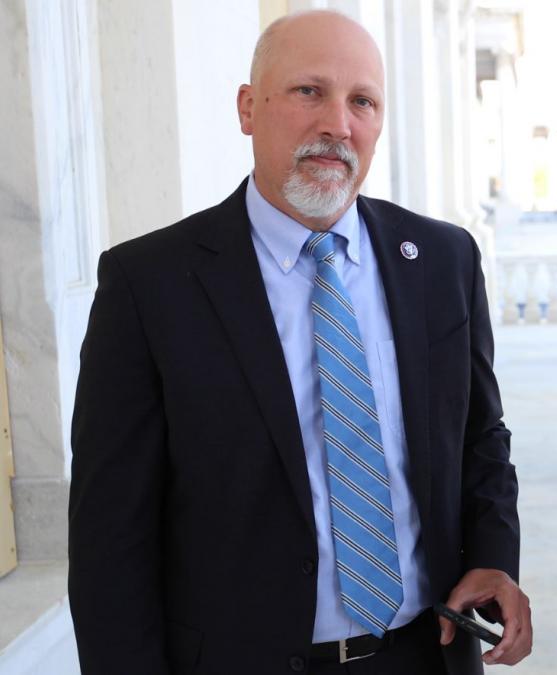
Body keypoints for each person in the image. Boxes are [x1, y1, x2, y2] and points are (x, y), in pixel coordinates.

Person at [68, 10, 530, 674]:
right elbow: (111, 539)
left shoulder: (442, 260)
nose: (337, 125)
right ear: (248, 107)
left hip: (427, 657)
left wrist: (493, 554)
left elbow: (481, 436)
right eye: (309, 91)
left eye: (362, 101)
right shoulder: (150, 285)